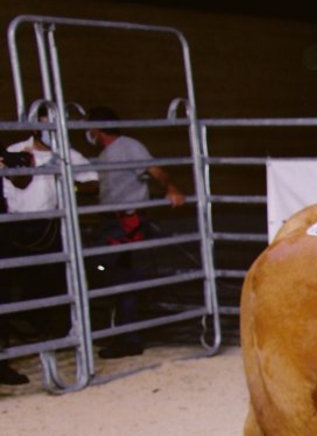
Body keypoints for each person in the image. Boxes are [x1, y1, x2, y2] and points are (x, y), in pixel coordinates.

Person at [1, 106, 99, 384]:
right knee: (5, 294)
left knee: (50, 288)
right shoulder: (14, 150)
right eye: (45, 125)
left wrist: (67, 181)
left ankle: (48, 348)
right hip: (12, 226)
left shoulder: (67, 153)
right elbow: (17, 181)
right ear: (34, 126)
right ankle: (4, 359)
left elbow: (92, 182)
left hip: (49, 227)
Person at [85, 106, 186, 358]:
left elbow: (155, 170)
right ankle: (124, 333)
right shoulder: (107, 154)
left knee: (113, 273)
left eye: (89, 126)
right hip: (112, 221)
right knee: (116, 274)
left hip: (125, 222)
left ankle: (129, 337)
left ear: (97, 128)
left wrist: (171, 188)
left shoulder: (128, 146)